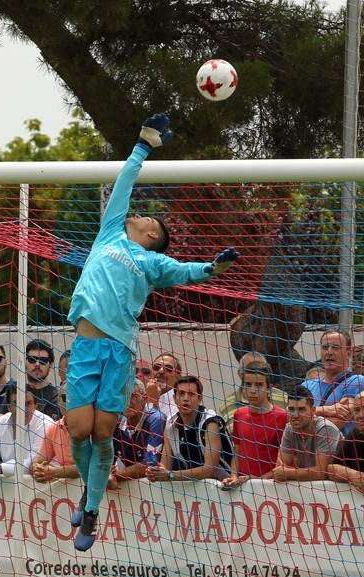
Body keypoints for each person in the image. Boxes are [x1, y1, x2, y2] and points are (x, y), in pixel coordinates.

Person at [63, 111, 238, 551]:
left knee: (102, 433)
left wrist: (213, 267)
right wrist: (144, 144)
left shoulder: (152, 262)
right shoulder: (108, 235)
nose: (141, 216)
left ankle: (92, 511)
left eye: (151, 222)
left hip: (119, 351)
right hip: (86, 346)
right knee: (78, 429)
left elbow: (186, 272)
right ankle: (89, 493)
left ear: (151, 236)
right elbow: (124, 182)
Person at [148, 375, 232, 485]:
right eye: (181, 394)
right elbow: (165, 466)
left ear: (200, 398)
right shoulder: (170, 424)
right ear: (174, 399)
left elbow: (209, 470)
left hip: (224, 487)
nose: (186, 398)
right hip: (193, 489)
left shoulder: (210, 422)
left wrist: (170, 475)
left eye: (191, 394)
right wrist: (156, 472)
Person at [220, 363, 287, 489]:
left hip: (273, 488)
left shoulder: (282, 417)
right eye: (248, 384)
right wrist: (234, 476)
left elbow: (286, 462)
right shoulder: (239, 415)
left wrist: (257, 482)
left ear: (268, 388)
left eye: (259, 385)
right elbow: (237, 452)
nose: (252, 390)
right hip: (244, 488)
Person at [0, 388, 53, 477]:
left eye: (28, 403)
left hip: (41, 485)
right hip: (9, 484)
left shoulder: (46, 424)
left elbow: (32, 465)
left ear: (35, 405)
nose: (23, 408)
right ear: (9, 407)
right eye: (17, 403)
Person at [268, 385, 342, 482]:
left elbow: (320, 473)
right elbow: (280, 468)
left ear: (313, 411)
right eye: (291, 409)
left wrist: (288, 473)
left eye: (301, 409)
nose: (295, 415)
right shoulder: (289, 428)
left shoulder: (326, 429)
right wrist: (287, 472)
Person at [301, 330, 364, 430]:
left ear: (348, 353)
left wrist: (306, 414)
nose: (329, 352)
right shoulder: (306, 385)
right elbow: (290, 415)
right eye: (325, 347)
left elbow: (336, 423)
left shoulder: (356, 381)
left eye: (336, 347)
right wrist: (328, 410)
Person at [112, 378, 166, 482]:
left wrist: (114, 475)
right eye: (123, 397)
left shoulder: (156, 419)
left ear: (144, 397)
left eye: (133, 396)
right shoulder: (117, 421)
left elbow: (150, 464)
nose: (127, 402)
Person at [217, 352, 289, 424]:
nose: (255, 373)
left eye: (261, 369)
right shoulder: (226, 407)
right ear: (240, 374)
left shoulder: (284, 399)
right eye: (249, 370)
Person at [31, 391, 83, 484]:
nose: (70, 401)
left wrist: (52, 472)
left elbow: (85, 467)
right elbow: (40, 458)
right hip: (67, 491)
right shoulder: (54, 428)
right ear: (58, 401)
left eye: (76, 396)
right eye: (65, 397)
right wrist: (37, 468)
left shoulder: (93, 427)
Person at [24, 339, 61, 419]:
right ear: (25, 362)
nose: (37, 364)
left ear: (50, 364)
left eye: (43, 361)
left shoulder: (58, 398)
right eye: (32, 359)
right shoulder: (17, 393)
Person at [148, 352, 183, 424]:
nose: (161, 371)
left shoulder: (181, 404)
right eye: (156, 367)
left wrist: (153, 401)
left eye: (168, 368)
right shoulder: (141, 397)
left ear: (178, 376)